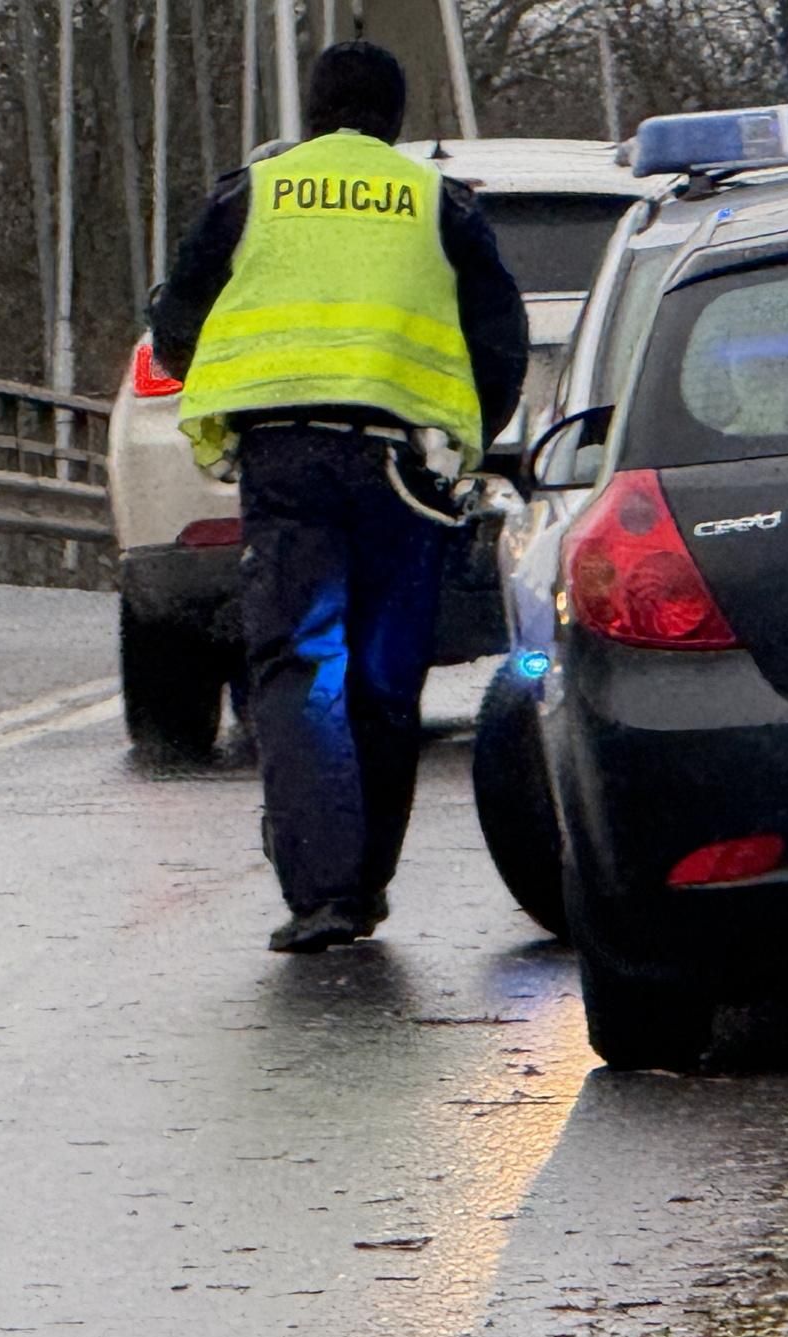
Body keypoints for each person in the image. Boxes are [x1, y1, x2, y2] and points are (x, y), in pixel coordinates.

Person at [151, 41, 527, 953]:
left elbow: (174, 326)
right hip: (395, 469)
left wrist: (234, 387)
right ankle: (366, 886)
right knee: (384, 676)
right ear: (394, 119)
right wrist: (470, 436)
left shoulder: (253, 195)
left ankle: (322, 896)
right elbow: (500, 338)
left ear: (312, 114)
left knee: (293, 666)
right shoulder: (439, 203)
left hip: (283, 464)